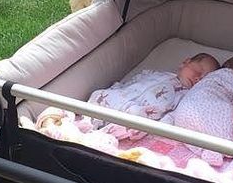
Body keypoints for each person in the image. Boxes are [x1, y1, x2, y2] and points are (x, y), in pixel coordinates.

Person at [169, 54, 233, 167]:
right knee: (224, 111)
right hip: (202, 106)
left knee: (195, 135)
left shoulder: (213, 79)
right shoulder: (229, 75)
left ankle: (205, 151)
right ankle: (224, 147)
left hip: (183, 113)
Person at [88, 53, 220, 141]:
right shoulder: (155, 73)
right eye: (198, 71)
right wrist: (118, 88)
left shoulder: (186, 96)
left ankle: (99, 136)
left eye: (203, 80)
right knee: (98, 94)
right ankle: (85, 121)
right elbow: (135, 80)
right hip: (118, 97)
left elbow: (174, 115)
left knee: (133, 122)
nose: (198, 78)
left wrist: (162, 126)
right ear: (185, 62)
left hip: (137, 112)